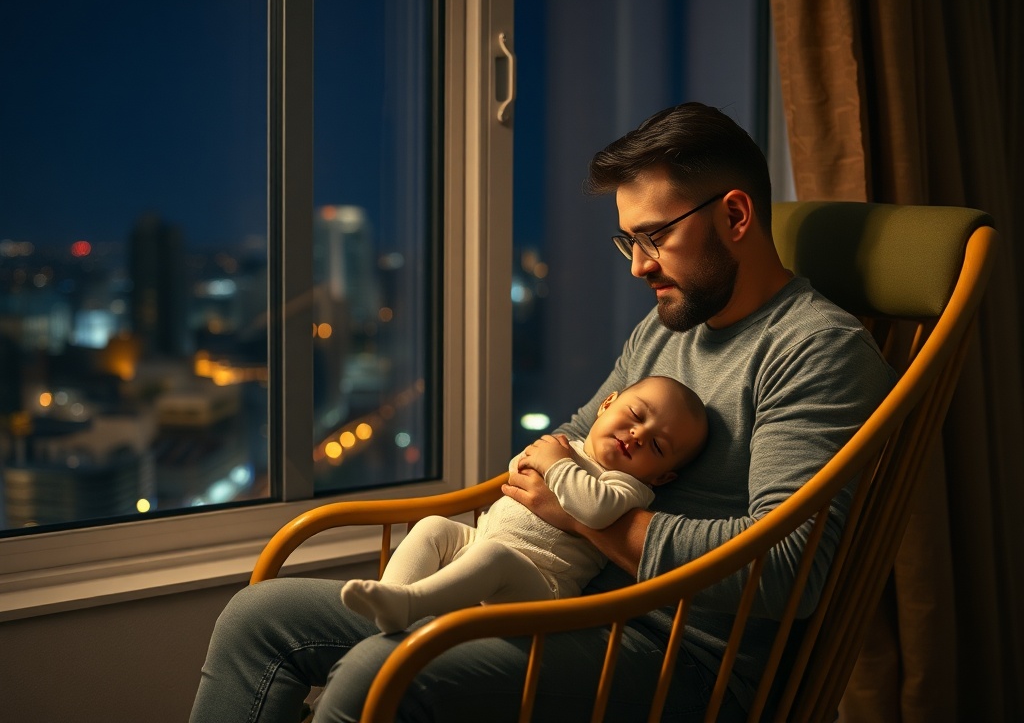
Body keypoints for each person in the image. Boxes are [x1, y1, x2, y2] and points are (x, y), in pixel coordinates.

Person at [189, 102, 895, 723]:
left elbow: (783, 575)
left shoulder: (814, 350)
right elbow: (567, 441)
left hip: (679, 656)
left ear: (736, 215)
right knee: (258, 619)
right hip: (568, 600)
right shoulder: (666, 328)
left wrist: (590, 514)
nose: (638, 267)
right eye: (629, 242)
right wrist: (561, 493)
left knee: (377, 676)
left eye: (654, 237)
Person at [340, 375, 708, 634]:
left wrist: (555, 464)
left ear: (661, 477)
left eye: (658, 446)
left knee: (495, 558)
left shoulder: (628, 487)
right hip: (481, 540)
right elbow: (518, 468)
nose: (638, 436)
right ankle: (393, 599)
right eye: (636, 416)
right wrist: (544, 458)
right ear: (606, 404)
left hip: (539, 590)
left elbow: (595, 510)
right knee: (434, 526)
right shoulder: (568, 447)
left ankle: (411, 605)